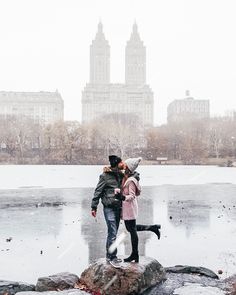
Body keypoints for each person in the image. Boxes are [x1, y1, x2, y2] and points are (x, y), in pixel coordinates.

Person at [115, 157, 161, 263]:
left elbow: (131, 196)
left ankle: (135, 254)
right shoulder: (127, 177)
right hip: (128, 207)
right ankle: (153, 228)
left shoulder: (131, 181)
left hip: (129, 208)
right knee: (131, 228)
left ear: (129, 168)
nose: (123, 166)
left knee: (132, 230)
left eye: (125, 165)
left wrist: (122, 197)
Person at [91, 155, 124, 267]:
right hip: (108, 207)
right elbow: (98, 191)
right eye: (121, 162)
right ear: (116, 163)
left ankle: (109, 255)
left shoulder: (121, 175)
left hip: (118, 207)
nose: (123, 163)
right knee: (113, 233)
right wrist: (94, 206)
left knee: (112, 233)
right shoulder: (105, 176)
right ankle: (112, 257)